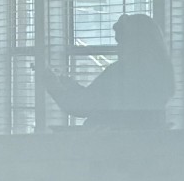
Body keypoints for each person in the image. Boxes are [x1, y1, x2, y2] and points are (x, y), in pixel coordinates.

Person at [37, 14, 175, 129]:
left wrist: (51, 82)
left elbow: (82, 105)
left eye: (122, 42)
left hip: (111, 150)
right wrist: (67, 83)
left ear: (136, 42)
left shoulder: (121, 72)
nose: (118, 48)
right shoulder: (162, 73)